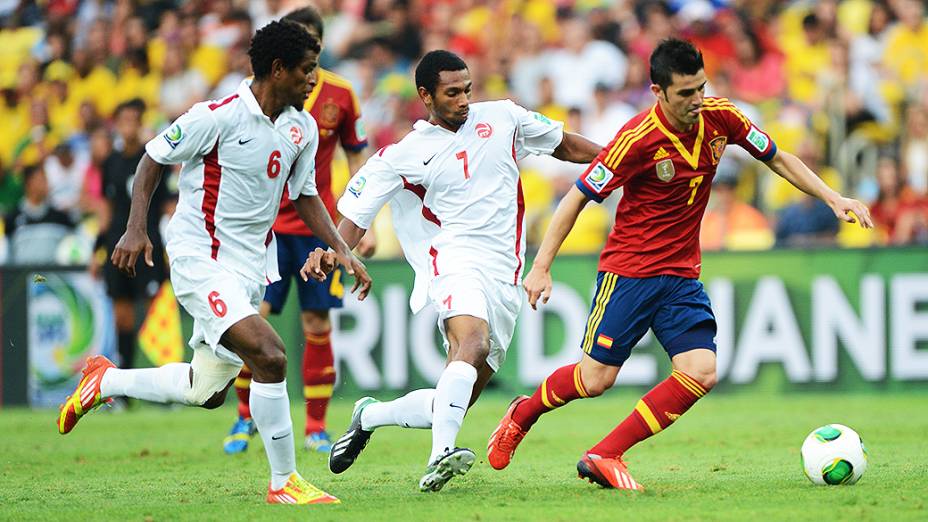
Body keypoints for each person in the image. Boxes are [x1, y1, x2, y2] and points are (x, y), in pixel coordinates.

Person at [486, 38, 873, 490]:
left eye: (701, 88)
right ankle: (522, 413)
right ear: (658, 92)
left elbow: (776, 157)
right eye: (685, 93)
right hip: (629, 273)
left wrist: (833, 197)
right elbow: (577, 197)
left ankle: (605, 453)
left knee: (701, 371)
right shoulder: (636, 140)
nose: (696, 101)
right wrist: (541, 265)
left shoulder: (721, 116)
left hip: (681, 275)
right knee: (595, 380)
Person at [56, 20, 371, 505]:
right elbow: (152, 158)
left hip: (249, 269)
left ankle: (106, 380)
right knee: (270, 354)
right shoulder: (217, 116)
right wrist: (137, 225)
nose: (315, 80)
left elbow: (305, 195)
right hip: (198, 257)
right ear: (278, 68)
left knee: (206, 390)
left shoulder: (301, 126)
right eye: (308, 70)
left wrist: (343, 249)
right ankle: (283, 482)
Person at [304, 50, 601, 492]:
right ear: (425, 96)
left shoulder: (503, 118)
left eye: (467, 89)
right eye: (452, 93)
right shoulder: (401, 155)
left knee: (455, 398)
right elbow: (354, 214)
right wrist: (331, 249)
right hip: (452, 258)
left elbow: (567, 145)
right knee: (473, 342)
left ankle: (369, 415)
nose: (464, 100)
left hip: (504, 272)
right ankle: (440, 456)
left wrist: (624, 163)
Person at [223, 5, 373, 457]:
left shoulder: (340, 95)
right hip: (267, 229)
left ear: (319, 45)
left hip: (315, 229)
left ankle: (315, 425)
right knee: (256, 322)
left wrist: (358, 219)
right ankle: (243, 417)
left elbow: (357, 156)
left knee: (316, 323)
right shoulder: (261, 97)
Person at [95, 98, 170, 373]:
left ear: (140, 124)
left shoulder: (154, 158)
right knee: (122, 317)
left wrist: (170, 247)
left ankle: (165, 379)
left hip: (149, 244)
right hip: (117, 245)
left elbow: (168, 205)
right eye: (122, 120)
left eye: (132, 120)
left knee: (156, 313)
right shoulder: (110, 163)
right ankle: (125, 381)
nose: (127, 126)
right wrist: (97, 249)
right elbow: (106, 207)